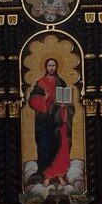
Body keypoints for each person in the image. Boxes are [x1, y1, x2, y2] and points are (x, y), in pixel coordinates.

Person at [28, 58, 74, 186]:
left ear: (56, 67)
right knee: (45, 146)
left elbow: (67, 100)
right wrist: (44, 98)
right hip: (45, 122)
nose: (51, 68)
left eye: (53, 65)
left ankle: (59, 174)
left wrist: (65, 106)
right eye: (49, 65)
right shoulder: (40, 83)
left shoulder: (61, 82)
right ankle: (47, 175)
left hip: (59, 119)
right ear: (46, 67)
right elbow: (32, 100)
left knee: (62, 143)